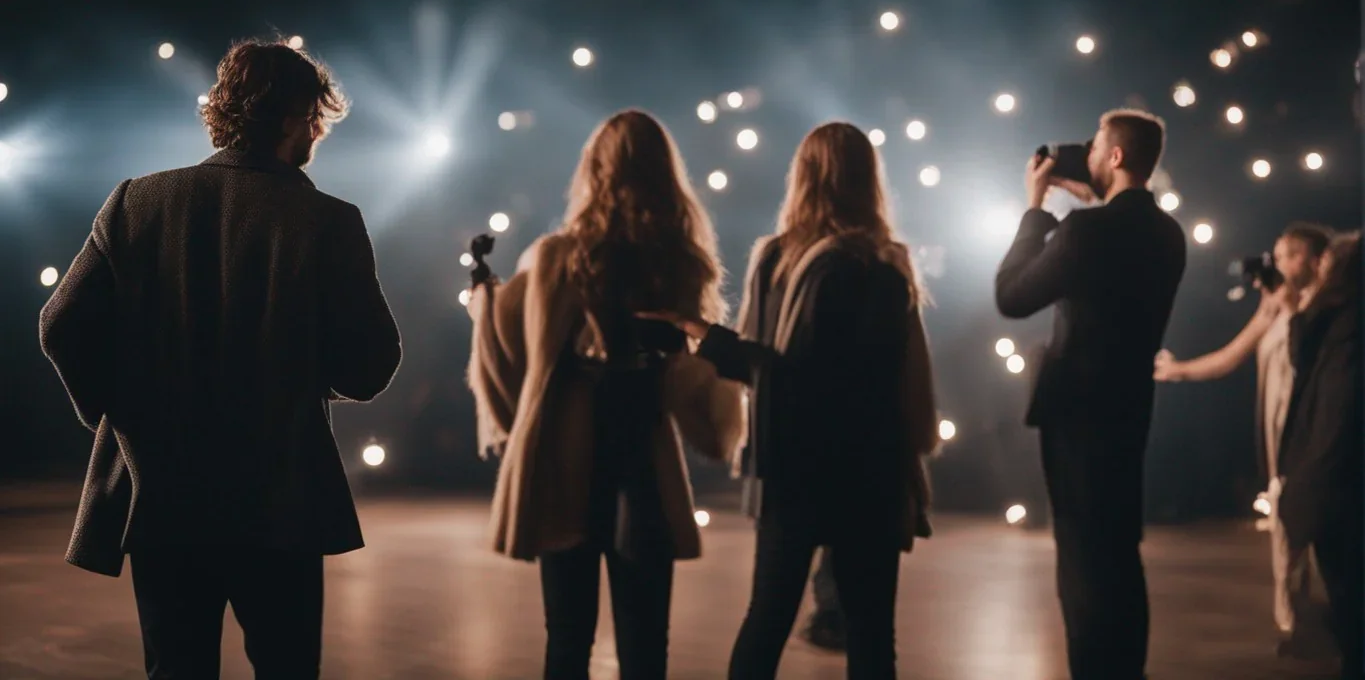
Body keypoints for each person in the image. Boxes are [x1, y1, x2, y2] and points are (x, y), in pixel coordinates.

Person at [38, 39, 402, 678]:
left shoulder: (135, 201)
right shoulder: (327, 220)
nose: (316, 133)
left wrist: (118, 414)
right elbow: (370, 366)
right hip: (280, 495)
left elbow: (59, 324)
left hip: (164, 494)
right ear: (291, 118)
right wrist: (301, 369)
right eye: (314, 118)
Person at [642, 122, 939, 679]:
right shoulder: (882, 267)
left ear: (803, 176)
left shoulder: (780, 259)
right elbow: (856, 381)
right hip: (868, 468)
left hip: (792, 467)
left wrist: (705, 337)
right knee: (871, 631)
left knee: (768, 617)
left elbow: (783, 373)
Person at [467, 109, 746, 680]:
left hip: (566, 457)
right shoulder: (679, 261)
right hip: (642, 452)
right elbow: (695, 372)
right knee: (646, 643)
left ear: (593, 170)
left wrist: (483, 297)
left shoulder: (556, 257)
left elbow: (510, 347)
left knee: (567, 638)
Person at [994, 109, 1187, 680]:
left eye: (1097, 147)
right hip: (1130, 408)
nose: (1089, 155)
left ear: (1117, 156)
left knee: (1081, 560)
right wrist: (1088, 203)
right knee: (1119, 552)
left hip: (1077, 413)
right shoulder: (1168, 234)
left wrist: (1036, 207)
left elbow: (1012, 295)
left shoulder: (1085, 231)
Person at [1154, 223, 1335, 654]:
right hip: (1279, 436)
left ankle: (1335, 623)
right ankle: (1296, 625)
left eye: (1285, 256)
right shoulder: (1273, 308)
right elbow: (1232, 355)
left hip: (1315, 433)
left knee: (1322, 528)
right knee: (1285, 527)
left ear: (1311, 260)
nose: (1277, 265)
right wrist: (1178, 371)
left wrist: (1290, 307)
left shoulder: (1329, 308)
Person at [1277, 231, 1362, 680]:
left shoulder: (1346, 327)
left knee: (1349, 594)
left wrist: (1309, 488)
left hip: (1337, 482)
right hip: (1332, 480)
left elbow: (1335, 413)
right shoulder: (1331, 323)